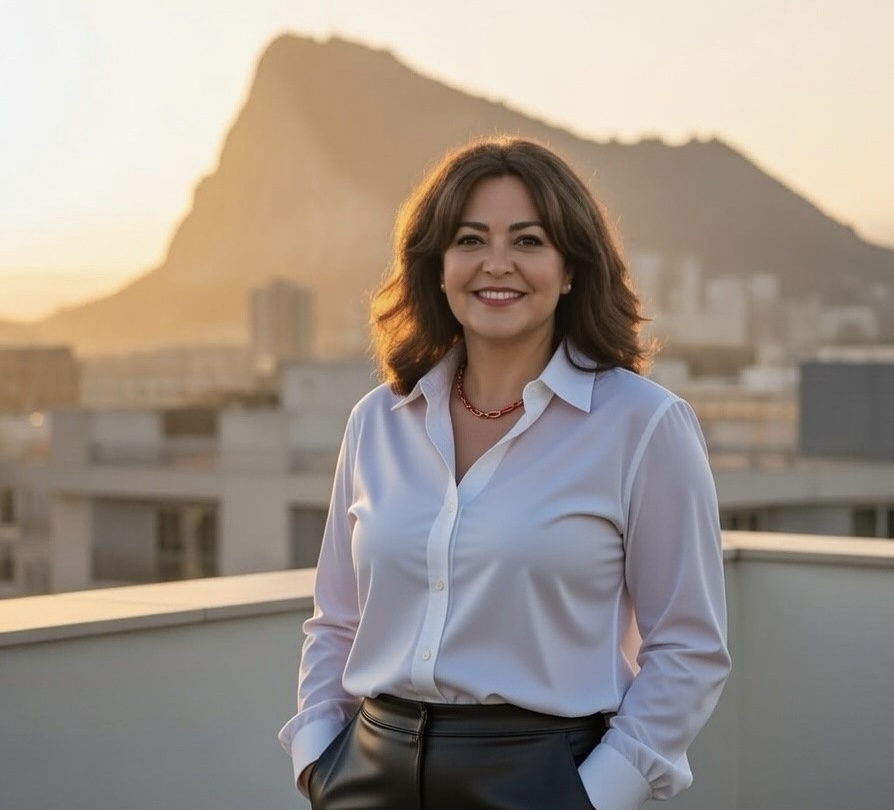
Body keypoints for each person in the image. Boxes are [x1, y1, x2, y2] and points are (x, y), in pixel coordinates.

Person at [279, 136, 730, 810]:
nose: (496, 265)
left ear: (571, 267)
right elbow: (336, 621)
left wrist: (594, 797)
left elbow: (688, 646)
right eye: (469, 240)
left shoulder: (643, 426)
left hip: (541, 778)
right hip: (366, 774)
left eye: (527, 241)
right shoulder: (377, 421)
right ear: (436, 266)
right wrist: (317, 756)